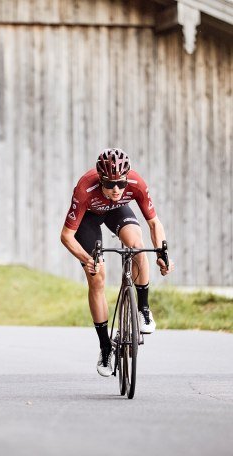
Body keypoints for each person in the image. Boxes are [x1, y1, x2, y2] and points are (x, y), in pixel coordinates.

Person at [60, 148, 174, 377]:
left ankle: (143, 309)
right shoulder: (85, 188)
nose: (116, 190)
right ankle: (105, 348)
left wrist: (163, 254)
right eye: (110, 184)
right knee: (97, 278)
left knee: (138, 246)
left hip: (117, 212)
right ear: (100, 179)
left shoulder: (136, 184)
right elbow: (66, 236)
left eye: (121, 184)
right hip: (88, 219)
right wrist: (87, 259)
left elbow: (154, 223)